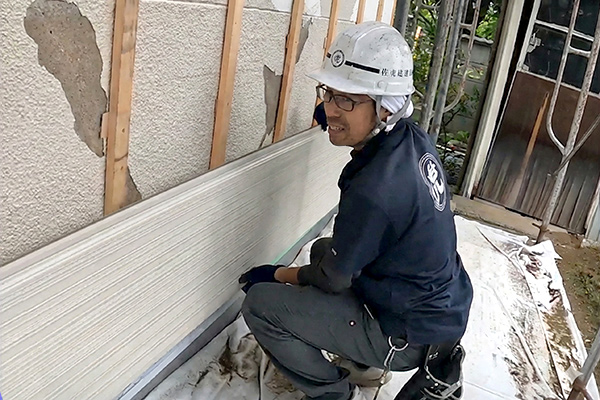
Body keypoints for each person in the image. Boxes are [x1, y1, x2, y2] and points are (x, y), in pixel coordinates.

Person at [239, 21, 473, 400]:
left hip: (409, 333)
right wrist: (340, 115)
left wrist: (277, 274)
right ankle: (363, 363)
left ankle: (337, 392)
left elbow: (333, 280)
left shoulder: (376, 189)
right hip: (439, 307)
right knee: (322, 249)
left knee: (262, 304)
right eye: (329, 94)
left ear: (385, 109)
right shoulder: (411, 139)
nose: (329, 109)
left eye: (346, 100)